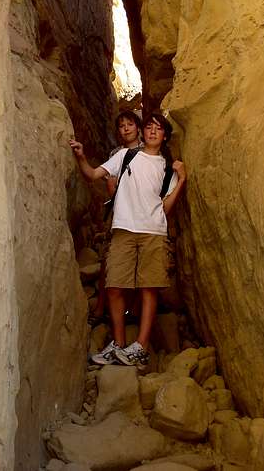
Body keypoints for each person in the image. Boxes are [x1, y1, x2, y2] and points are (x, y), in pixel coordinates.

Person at [70, 113, 186, 366]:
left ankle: (140, 346)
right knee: (113, 286)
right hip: (123, 229)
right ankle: (119, 343)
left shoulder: (169, 167)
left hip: (153, 232)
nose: (153, 132)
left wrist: (182, 180)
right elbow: (92, 175)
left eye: (158, 129)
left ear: (164, 135)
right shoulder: (125, 156)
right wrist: (80, 155)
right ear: (143, 133)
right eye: (149, 127)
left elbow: (166, 208)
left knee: (149, 287)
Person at [91, 110, 144, 323]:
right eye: (122, 126)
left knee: (141, 261)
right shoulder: (116, 153)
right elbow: (110, 185)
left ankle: (133, 309)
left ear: (138, 127)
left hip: (143, 215)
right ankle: (101, 307)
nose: (126, 128)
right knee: (110, 262)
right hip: (119, 214)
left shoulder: (150, 151)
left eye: (130, 124)